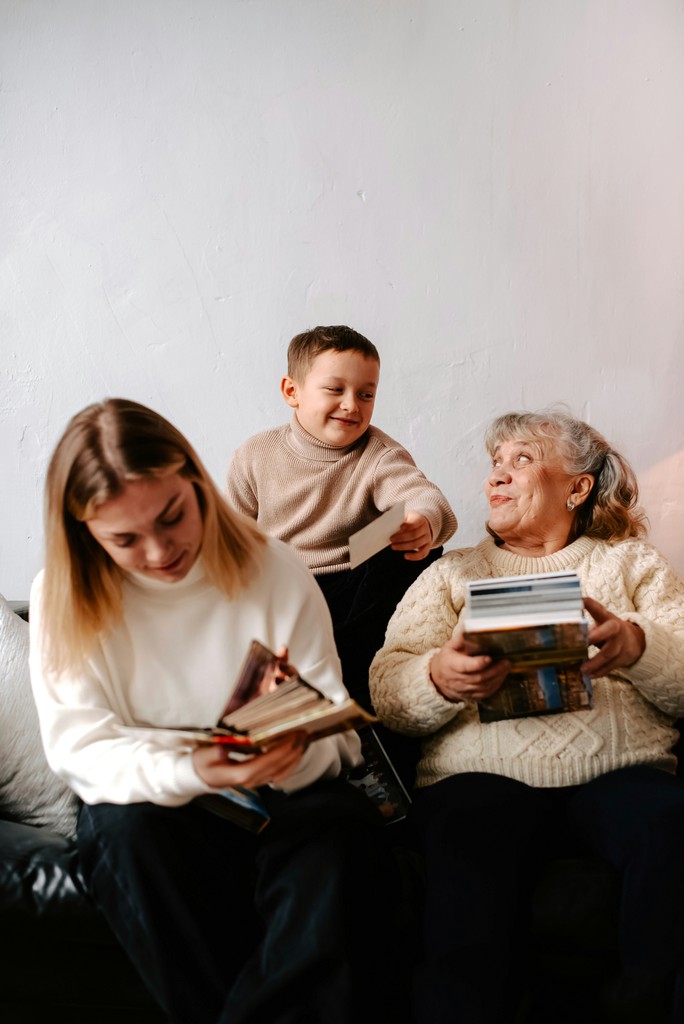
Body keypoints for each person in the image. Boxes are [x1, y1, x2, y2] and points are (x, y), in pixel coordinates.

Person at [29, 398, 407, 1024]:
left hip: (284, 794)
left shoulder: (273, 568)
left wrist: (291, 750)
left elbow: (337, 733)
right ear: (84, 533)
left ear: (196, 484)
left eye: (172, 518)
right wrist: (202, 769)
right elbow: (81, 748)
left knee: (338, 835)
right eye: (124, 539)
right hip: (160, 800)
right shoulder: (61, 596)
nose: (158, 553)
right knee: (123, 830)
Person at [369, 408, 684, 1024]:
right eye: (494, 464)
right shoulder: (452, 572)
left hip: (620, 771)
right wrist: (439, 676)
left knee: (671, 827)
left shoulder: (631, 564)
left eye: (521, 460)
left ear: (577, 486)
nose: (496, 478)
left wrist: (637, 645)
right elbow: (387, 686)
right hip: (481, 778)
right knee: (466, 858)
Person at [225, 324, 457, 784]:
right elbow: (230, 538)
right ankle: (300, 706)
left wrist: (421, 523)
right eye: (336, 389)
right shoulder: (256, 455)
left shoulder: (378, 454)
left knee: (416, 557)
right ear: (292, 391)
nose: (352, 405)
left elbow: (422, 496)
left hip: (353, 593)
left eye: (367, 394)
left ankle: (350, 697)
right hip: (284, 592)